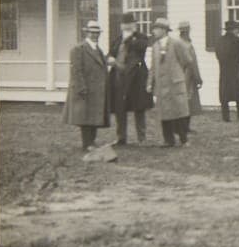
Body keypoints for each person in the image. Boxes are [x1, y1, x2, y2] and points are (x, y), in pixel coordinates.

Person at [62, 20, 110, 153]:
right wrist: (81, 87)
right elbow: (76, 71)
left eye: (97, 33)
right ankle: (87, 143)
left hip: (97, 90)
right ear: (87, 33)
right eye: (92, 33)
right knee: (85, 118)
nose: (95, 35)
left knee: (94, 117)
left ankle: (92, 142)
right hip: (85, 89)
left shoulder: (98, 49)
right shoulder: (79, 49)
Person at [146, 17, 192, 147]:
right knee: (164, 112)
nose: (154, 31)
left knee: (179, 111)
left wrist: (177, 72)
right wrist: (150, 83)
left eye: (156, 29)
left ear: (163, 30)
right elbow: (153, 66)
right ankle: (168, 140)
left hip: (175, 83)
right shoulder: (155, 46)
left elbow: (187, 60)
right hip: (161, 85)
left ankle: (184, 139)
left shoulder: (176, 43)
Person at [108, 12, 151, 145]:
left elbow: (141, 46)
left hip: (136, 78)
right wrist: (110, 58)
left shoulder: (141, 38)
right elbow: (110, 53)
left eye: (130, 24)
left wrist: (130, 38)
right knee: (120, 109)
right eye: (125, 24)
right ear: (121, 25)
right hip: (119, 78)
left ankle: (142, 138)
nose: (127, 26)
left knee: (139, 108)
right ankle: (121, 137)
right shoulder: (117, 39)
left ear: (134, 25)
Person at [215, 19, 239, 122]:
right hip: (236, 71)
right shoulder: (237, 40)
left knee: (224, 95)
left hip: (224, 71)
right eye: (237, 29)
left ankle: (225, 117)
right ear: (234, 30)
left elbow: (218, 55)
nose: (238, 31)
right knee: (238, 94)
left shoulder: (220, 41)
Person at [176, 21, 203, 128]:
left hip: (178, 76)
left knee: (182, 101)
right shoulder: (187, 45)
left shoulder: (176, 44)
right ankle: (184, 127)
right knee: (188, 101)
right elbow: (193, 64)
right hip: (188, 76)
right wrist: (198, 79)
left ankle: (182, 126)